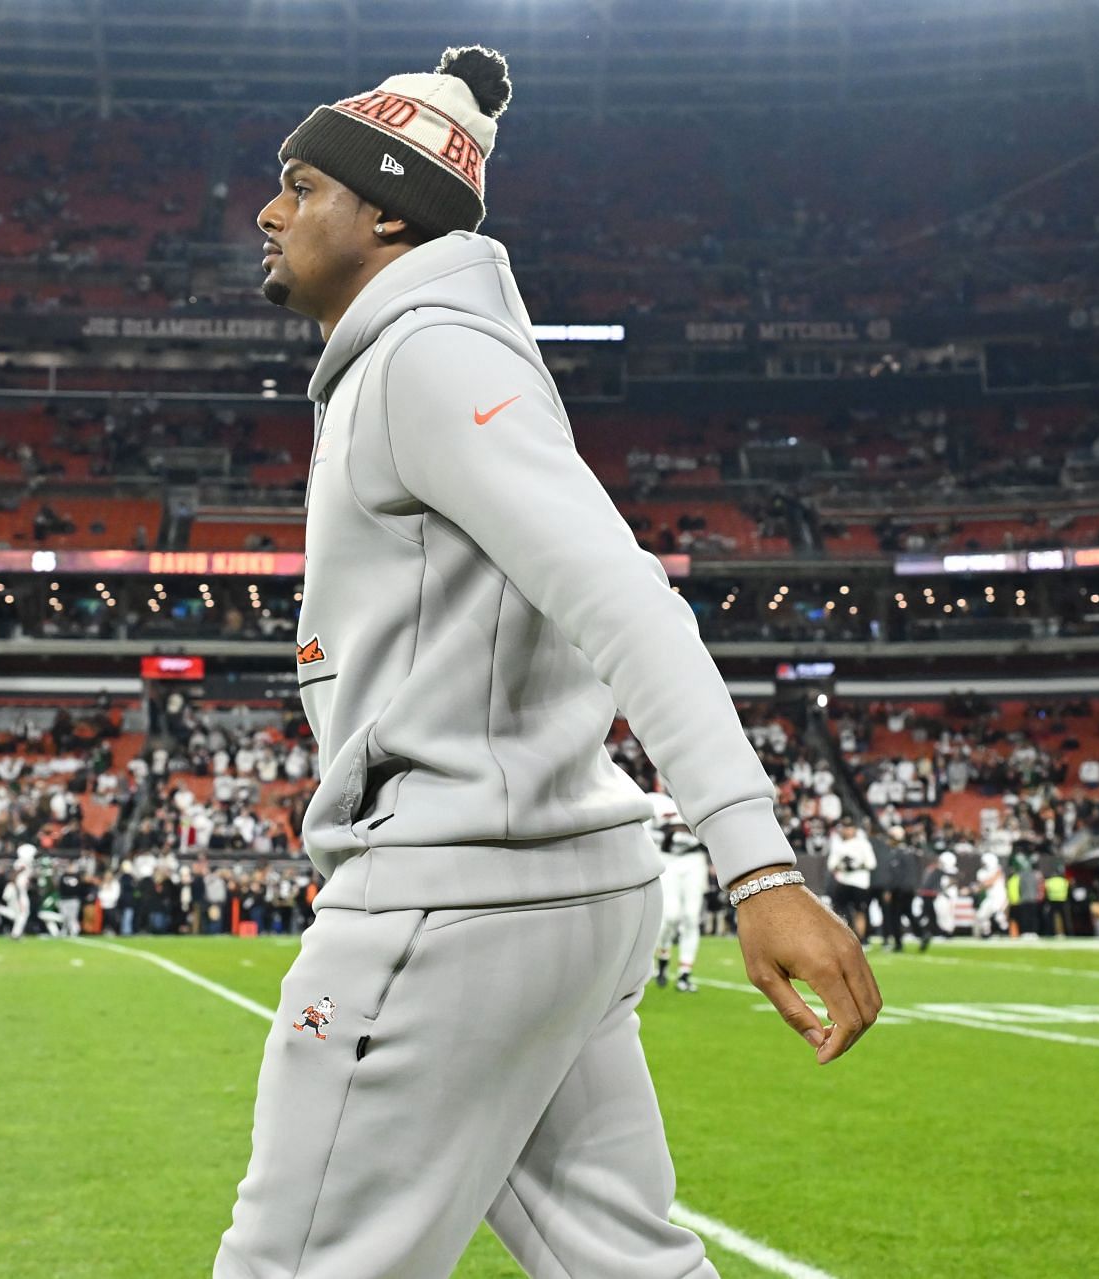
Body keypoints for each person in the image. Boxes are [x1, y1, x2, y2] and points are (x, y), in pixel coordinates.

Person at [219, 45, 878, 1279]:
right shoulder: (415, 356)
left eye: (301, 185)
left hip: (453, 897)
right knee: (620, 1261)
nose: (269, 210)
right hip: (545, 891)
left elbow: (624, 596)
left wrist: (760, 867)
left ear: (387, 208)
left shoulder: (427, 359)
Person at [646, 788, 707, 993]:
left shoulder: (701, 797)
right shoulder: (653, 801)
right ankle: (663, 957)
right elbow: (643, 833)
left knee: (691, 917)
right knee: (670, 917)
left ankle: (684, 974)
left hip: (693, 859)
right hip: (668, 860)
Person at [827, 817, 877, 942]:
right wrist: (843, 865)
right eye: (845, 828)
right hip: (844, 882)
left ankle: (862, 939)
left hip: (860, 883)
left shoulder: (863, 844)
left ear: (854, 829)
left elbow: (872, 863)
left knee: (860, 911)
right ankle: (846, 936)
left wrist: (856, 865)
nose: (848, 830)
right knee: (839, 910)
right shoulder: (839, 845)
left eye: (850, 828)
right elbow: (831, 865)